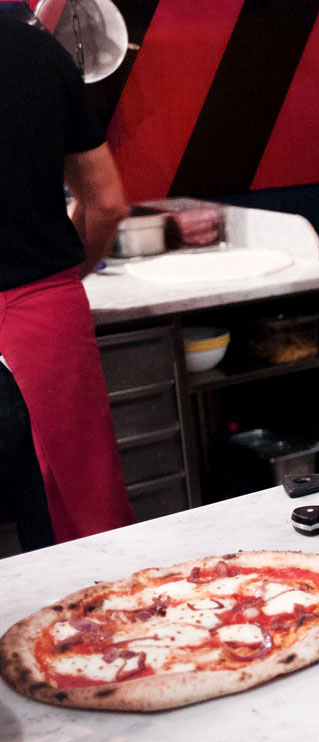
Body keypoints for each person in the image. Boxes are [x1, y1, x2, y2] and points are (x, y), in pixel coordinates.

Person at [0, 13, 133, 550]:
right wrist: (61, 277)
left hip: (36, 306)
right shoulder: (40, 54)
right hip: (41, 315)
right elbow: (106, 203)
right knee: (83, 526)